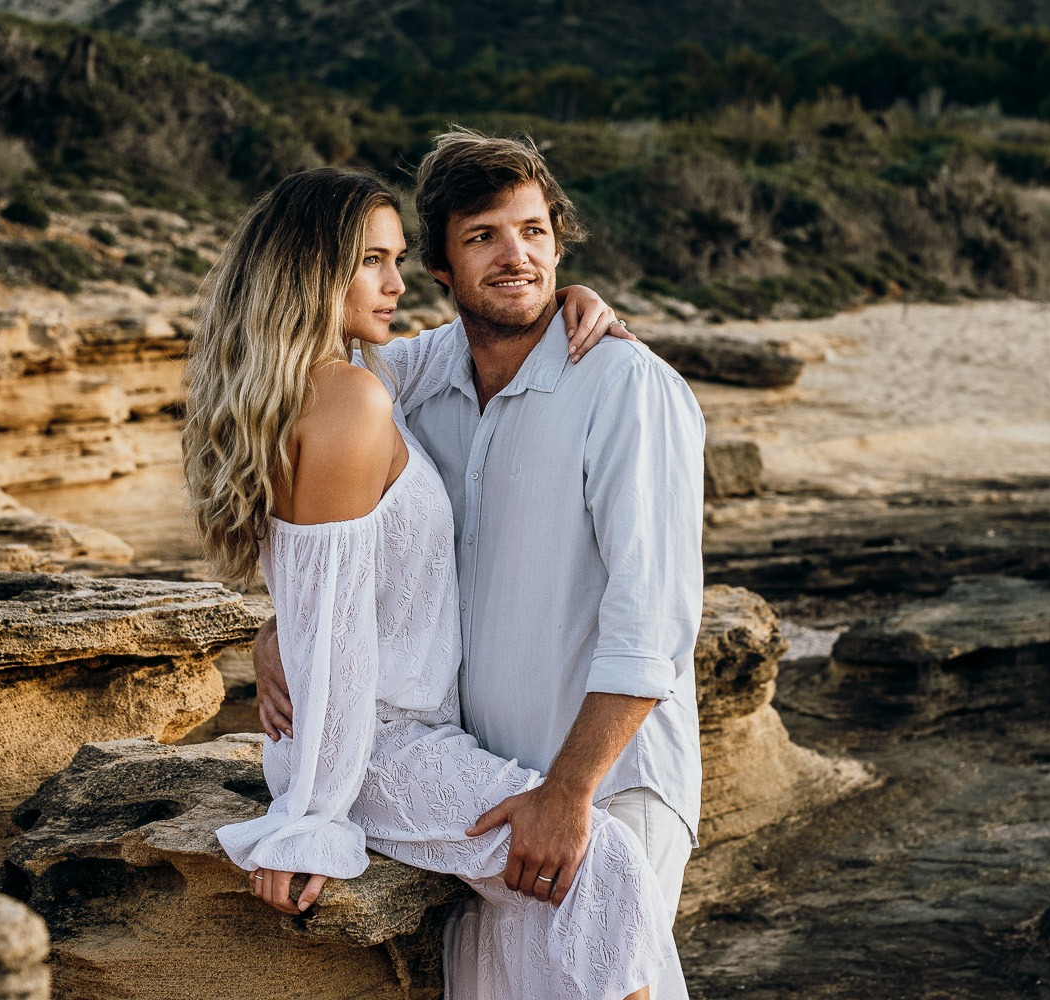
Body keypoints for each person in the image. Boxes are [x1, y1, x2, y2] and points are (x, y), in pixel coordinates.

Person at [183, 165, 680, 999]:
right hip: (379, 747)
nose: (394, 283)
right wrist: (307, 824)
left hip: (408, 733)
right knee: (599, 864)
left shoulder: (351, 382)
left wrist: (563, 299)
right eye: (371, 261)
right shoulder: (351, 401)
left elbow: (317, 590)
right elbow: (335, 640)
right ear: (313, 271)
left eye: (400, 258)